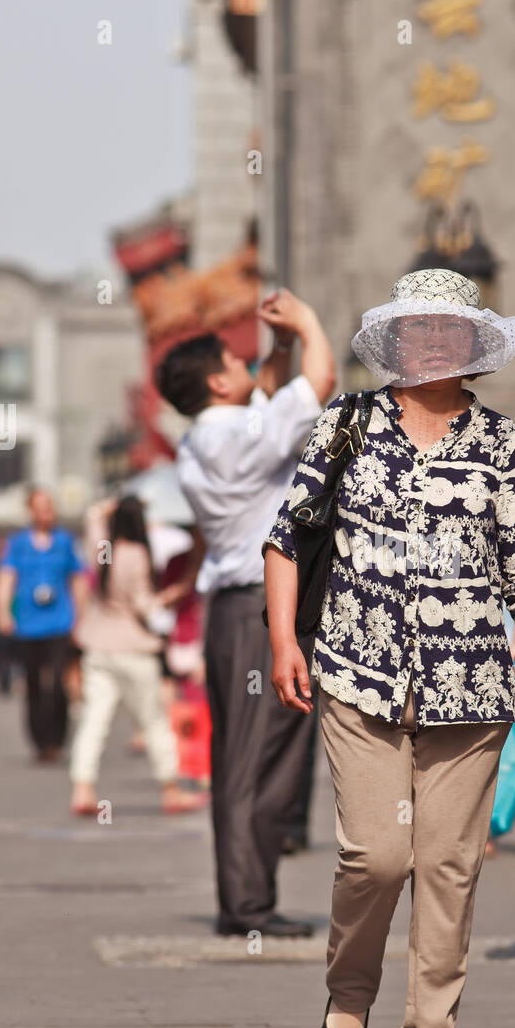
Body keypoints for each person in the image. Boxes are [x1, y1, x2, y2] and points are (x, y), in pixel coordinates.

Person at [264, 268, 515, 1028]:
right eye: (419, 327)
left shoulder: (502, 444)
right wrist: (283, 642)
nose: (433, 341)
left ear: (471, 346)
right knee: (376, 855)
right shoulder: (349, 423)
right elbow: (287, 537)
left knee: (448, 864)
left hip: (470, 686)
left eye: (449, 329)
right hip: (357, 673)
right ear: (397, 341)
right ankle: (348, 995)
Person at [155, 288, 336, 938]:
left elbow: (269, 394)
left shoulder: (205, 438)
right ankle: (250, 905)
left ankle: (244, 898)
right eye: (233, 362)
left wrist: (278, 347)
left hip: (231, 609)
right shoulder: (238, 435)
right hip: (267, 607)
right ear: (215, 382)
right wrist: (309, 323)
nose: (245, 368)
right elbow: (321, 383)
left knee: (241, 756)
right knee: (266, 758)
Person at [68, 496, 205, 816]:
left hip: (98, 643)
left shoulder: (102, 546)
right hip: (133, 645)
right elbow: (145, 605)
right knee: (154, 719)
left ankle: (82, 788)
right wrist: (178, 590)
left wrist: (107, 505)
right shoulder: (136, 553)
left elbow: (91, 518)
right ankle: (170, 790)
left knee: (94, 720)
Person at [0, 489, 87, 761]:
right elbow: (6, 578)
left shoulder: (66, 541)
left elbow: (78, 580)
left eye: (50, 506)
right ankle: (39, 741)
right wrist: (3, 612)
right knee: (33, 683)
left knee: (59, 682)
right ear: (31, 511)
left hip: (60, 621)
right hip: (28, 623)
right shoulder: (18, 543)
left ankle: (56, 739)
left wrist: (80, 618)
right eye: (41, 507)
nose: (47, 512)